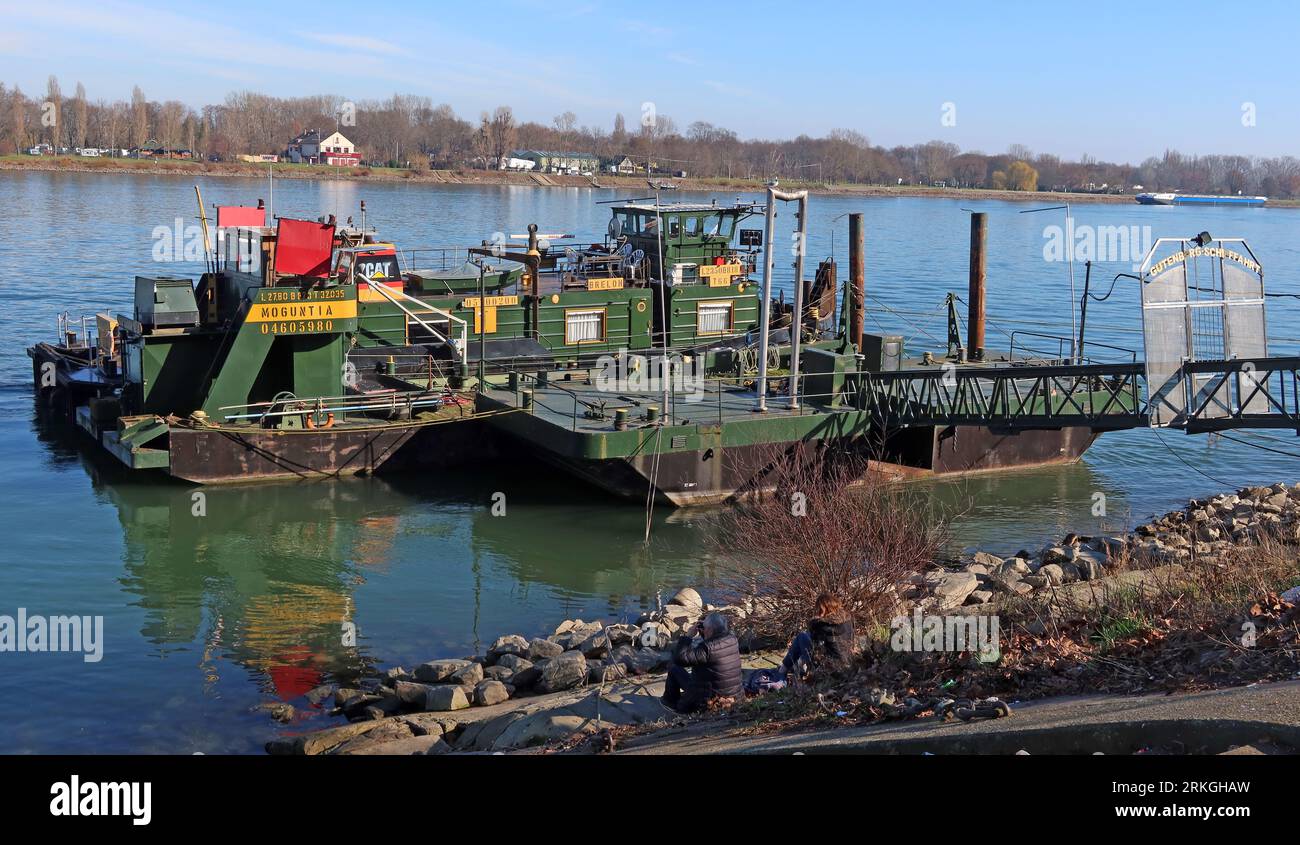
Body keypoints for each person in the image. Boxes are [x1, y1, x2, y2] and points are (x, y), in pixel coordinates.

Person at [661, 612, 743, 714]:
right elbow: (714, 644)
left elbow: (680, 659)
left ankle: (671, 703)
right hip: (734, 695)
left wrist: (688, 637)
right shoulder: (732, 639)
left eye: (705, 627)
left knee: (674, 669)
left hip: (709, 700)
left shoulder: (706, 649)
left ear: (709, 629)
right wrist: (705, 632)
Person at [781, 593, 855, 680]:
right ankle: (790, 666)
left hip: (827, 668)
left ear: (822, 609)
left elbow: (817, 650)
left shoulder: (820, 625)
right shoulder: (848, 620)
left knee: (801, 637)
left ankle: (782, 671)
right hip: (848, 663)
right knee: (805, 637)